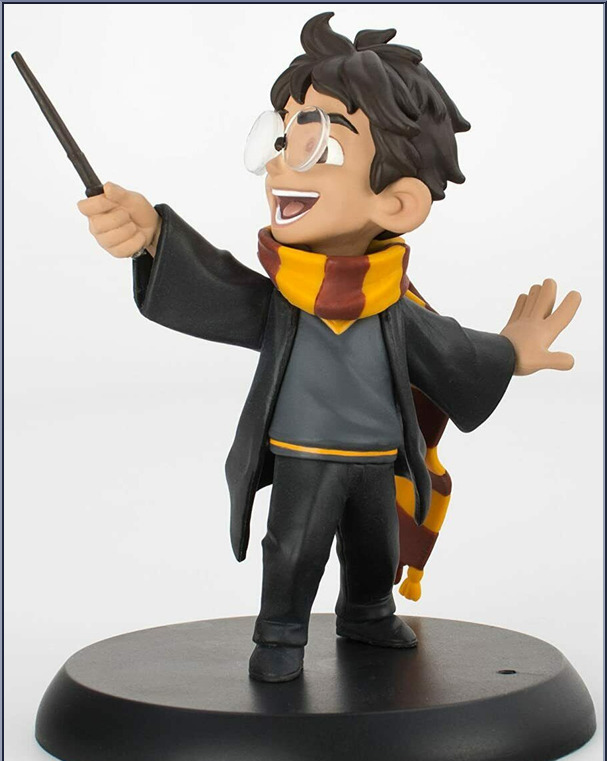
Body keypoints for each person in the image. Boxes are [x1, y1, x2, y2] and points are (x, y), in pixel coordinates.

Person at [76, 13, 580, 683]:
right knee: (293, 547)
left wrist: (511, 351)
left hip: (378, 455)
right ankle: (280, 635)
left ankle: (367, 614)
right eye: (285, 138)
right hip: (304, 453)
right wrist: (155, 240)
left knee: (374, 548)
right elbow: (219, 289)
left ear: (397, 203)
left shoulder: (393, 304)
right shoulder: (285, 296)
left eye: (320, 147)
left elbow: (449, 352)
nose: (281, 163)